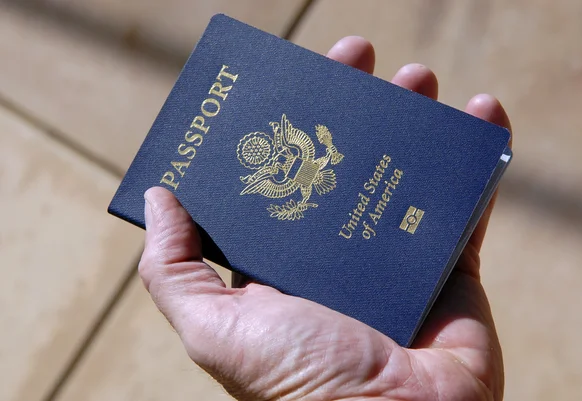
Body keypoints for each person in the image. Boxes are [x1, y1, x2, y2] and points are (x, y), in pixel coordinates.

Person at [139, 36, 512, 401]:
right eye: (276, 161)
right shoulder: (275, 173)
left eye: (279, 155)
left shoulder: (292, 149)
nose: (281, 161)